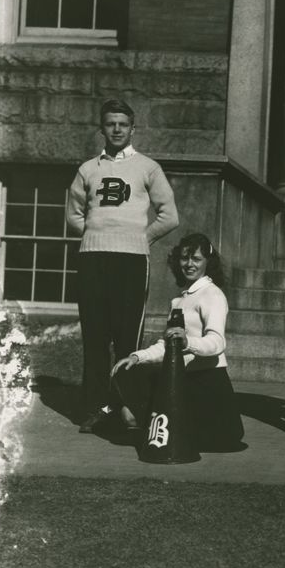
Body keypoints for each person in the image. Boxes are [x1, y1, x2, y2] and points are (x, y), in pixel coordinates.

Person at [66, 98, 179, 434]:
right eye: (110, 123)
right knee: (95, 337)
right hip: (92, 258)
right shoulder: (88, 169)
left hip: (131, 260)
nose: (116, 129)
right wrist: (96, 234)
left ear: (133, 128)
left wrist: (141, 239)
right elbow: (73, 215)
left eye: (123, 124)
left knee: (128, 338)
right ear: (102, 128)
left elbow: (169, 216)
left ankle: (127, 408)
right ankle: (96, 408)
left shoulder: (147, 167)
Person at [111, 234, 245, 452]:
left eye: (196, 259)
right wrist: (138, 356)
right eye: (184, 258)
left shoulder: (212, 295)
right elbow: (167, 344)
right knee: (129, 413)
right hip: (179, 379)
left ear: (207, 263)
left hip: (208, 381)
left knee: (211, 441)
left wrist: (187, 342)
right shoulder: (179, 300)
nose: (189, 264)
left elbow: (217, 342)